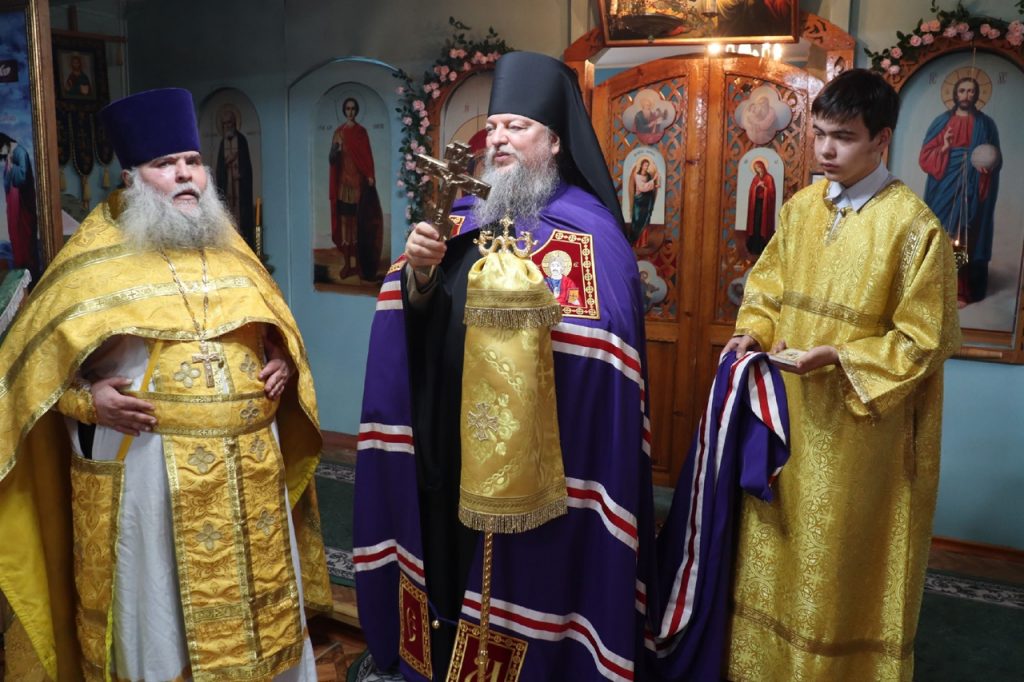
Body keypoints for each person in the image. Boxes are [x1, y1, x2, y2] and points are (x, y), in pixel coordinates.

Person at [0, 88, 330, 681]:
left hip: (251, 471)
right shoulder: (91, 260)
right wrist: (89, 401)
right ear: (131, 178)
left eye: (192, 161)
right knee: (162, 619)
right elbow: (32, 374)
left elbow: (271, 328)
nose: (185, 174)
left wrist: (280, 356)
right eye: (165, 163)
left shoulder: (230, 249)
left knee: (264, 621)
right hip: (150, 467)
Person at [354, 51, 656, 681]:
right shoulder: (462, 217)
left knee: (531, 575)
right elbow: (417, 322)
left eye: (516, 126)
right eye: (493, 128)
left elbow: (604, 355)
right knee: (449, 556)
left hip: (545, 460)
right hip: (452, 443)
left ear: (554, 141)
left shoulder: (591, 234)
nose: (498, 139)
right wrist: (420, 274)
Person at [723, 68, 961, 680]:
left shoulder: (914, 227)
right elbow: (767, 286)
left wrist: (838, 357)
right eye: (821, 134)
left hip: (860, 433)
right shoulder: (802, 207)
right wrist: (755, 330)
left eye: (845, 137)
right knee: (779, 540)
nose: (826, 150)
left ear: (881, 139)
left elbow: (925, 340)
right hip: (788, 415)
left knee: (834, 555)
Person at [918, 73, 1001, 307]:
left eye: (971, 91)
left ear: (977, 95)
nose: (967, 95)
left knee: (964, 233)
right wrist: (944, 147)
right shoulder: (941, 122)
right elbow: (926, 157)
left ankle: (960, 289)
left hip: (972, 182)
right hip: (945, 182)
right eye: (962, 90)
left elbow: (996, 157)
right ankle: (935, 287)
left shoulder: (986, 124)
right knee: (941, 231)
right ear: (955, 94)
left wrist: (987, 168)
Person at [329, 96, 383, 280]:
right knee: (346, 225)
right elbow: (332, 160)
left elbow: (367, 157)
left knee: (359, 225)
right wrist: (335, 149)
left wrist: (370, 175)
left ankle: (360, 265)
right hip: (343, 186)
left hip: (359, 185)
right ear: (344, 111)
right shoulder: (338, 133)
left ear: (356, 111)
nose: (350, 112)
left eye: (353, 108)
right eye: (348, 108)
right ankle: (347, 264)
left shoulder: (361, 132)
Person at [215, 104, 255, 249]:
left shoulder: (241, 140)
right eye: (225, 123)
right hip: (228, 185)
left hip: (239, 186)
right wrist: (227, 163)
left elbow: (247, 165)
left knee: (241, 215)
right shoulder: (222, 143)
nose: (228, 126)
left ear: (235, 123)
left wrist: (241, 174)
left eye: (230, 122)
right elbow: (220, 167)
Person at [0, 132, 38, 277]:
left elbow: (22, 178)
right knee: (15, 234)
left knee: (24, 238)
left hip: (23, 206)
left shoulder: (20, 152)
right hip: (14, 206)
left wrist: (11, 166)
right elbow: (7, 183)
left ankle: (28, 272)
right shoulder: (9, 154)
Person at [744, 159, 776, 255]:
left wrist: (765, 188)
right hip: (756, 203)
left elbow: (772, 193)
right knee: (755, 223)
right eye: (756, 168)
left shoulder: (769, 178)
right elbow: (751, 191)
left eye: (758, 167)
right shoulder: (756, 178)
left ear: (762, 167)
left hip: (765, 205)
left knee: (763, 223)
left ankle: (762, 245)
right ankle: (753, 244)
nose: (758, 170)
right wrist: (756, 187)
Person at [630, 157, 659, 244]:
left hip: (647, 201)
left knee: (646, 219)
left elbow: (649, 187)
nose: (646, 167)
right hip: (639, 201)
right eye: (645, 165)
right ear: (641, 166)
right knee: (637, 219)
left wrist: (655, 186)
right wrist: (653, 180)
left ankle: (642, 242)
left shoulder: (648, 175)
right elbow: (642, 188)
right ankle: (635, 241)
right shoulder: (637, 176)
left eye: (647, 165)